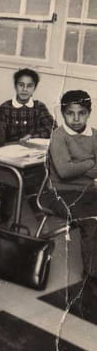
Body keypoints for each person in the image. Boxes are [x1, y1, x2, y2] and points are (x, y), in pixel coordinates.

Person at [43, 90, 97, 284]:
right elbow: (64, 172)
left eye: (81, 113)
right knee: (92, 221)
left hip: (89, 191)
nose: (75, 118)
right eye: (70, 113)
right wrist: (90, 163)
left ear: (89, 113)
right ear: (63, 113)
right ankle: (92, 276)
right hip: (61, 193)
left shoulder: (94, 135)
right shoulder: (58, 136)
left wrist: (77, 167)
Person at [0, 68, 54, 142]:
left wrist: (32, 136)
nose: (25, 89)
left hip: (33, 147)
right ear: (15, 86)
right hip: (11, 147)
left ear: (34, 88)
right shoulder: (5, 108)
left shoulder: (39, 107)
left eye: (29, 86)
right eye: (21, 85)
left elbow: (52, 128)